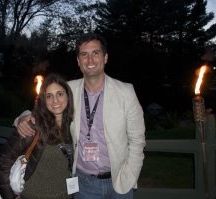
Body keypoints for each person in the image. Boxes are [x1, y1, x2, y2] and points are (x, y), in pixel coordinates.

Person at [14, 33, 146, 199]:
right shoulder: (69, 90)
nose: (90, 60)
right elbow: (43, 110)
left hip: (119, 181)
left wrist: (130, 174)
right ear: (78, 61)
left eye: (95, 53)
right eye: (84, 54)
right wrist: (22, 118)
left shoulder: (126, 92)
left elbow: (137, 140)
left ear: (105, 57)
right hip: (83, 184)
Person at [0, 73, 74, 199]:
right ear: (44, 100)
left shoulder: (73, 127)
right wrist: (8, 196)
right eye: (49, 96)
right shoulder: (33, 125)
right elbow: (5, 160)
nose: (55, 100)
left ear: (68, 96)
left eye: (60, 94)